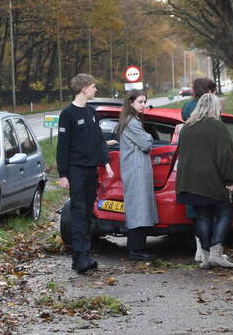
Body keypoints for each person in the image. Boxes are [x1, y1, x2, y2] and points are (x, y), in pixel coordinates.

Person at [175, 93, 233, 269]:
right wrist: (230, 179)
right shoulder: (218, 127)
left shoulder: (186, 128)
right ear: (214, 107)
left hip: (190, 182)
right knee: (225, 212)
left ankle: (206, 257)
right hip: (212, 180)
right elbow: (225, 156)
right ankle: (217, 253)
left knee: (202, 216)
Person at [57, 73, 112, 274]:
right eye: (93, 87)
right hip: (76, 170)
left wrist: (106, 162)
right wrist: (63, 174)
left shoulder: (91, 112)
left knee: (87, 212)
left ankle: (83, 255)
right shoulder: (68, 114)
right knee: (78, 212)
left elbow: (99, 140)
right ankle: (80, 257)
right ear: (84, 88)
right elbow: (62, 147)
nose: (95, 90)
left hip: (91, 171)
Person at [116, 90, 158, 261]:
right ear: (131, 102)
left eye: (144, 101)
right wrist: (149, 136)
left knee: (138, 208)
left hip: (134, 169)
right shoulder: (132, 123)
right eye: (140, 101)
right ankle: (136, 250)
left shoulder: (128, 120)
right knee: (139, 209)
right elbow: (146, 143)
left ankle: (138, 248)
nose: (143, 105)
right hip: (136, 171)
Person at [180, 77, 217, 262]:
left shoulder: (187, 108)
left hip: (190, 162)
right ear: (209, 90)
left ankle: (198, 249)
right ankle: (208, 248)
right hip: (208, 163)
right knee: (210, 212)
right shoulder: (210, 108)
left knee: (196, 211)